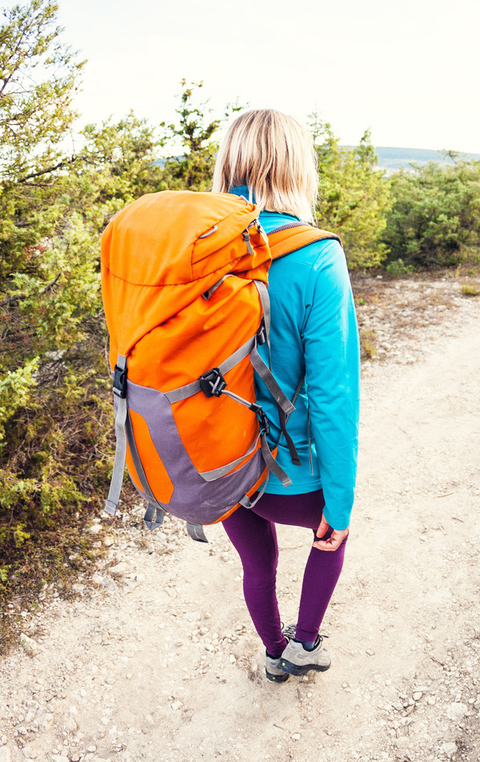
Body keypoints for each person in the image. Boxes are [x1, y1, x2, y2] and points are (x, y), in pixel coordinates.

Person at [210, 109, 360, 682]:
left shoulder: (202, 252)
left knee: (258, 559)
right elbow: (332, 396)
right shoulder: (317, 256)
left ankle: (272, 653)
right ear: (298, 169)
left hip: (218, 463)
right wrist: (340, 502)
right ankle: (305, 644)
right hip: (290, 481)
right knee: (331, 536)